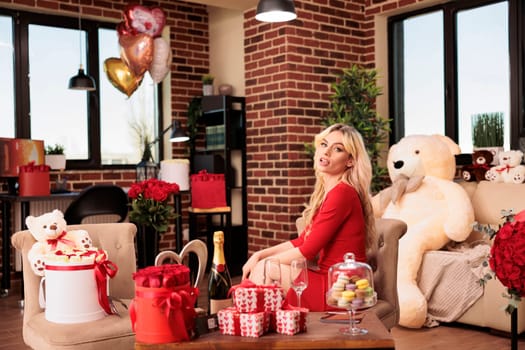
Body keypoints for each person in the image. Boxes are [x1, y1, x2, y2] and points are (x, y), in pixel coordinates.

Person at [241, 123, 376, 311]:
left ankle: (256, 327)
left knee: (265, 269)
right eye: (324, 144)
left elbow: (308, 250)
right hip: (332, 281)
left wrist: (266, 263)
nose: (326, 152)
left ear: (350, 161)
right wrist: (259, 255)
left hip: (342, 290)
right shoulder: (332, 192)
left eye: (337, 149)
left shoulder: (342, 193)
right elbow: (302, 240)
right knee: (263, 266)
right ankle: (264, 325)